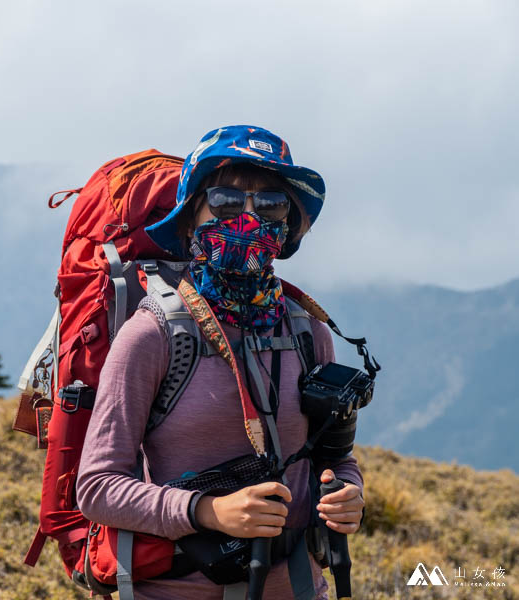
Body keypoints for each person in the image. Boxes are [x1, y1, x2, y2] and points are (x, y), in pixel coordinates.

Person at [76, 125, 365, 599]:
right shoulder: (154, 335)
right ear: (191, 219)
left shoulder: (306, 331)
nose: (248, 218)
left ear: (288, 227)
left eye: (270, 205)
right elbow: (97, 488)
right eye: (226, 202)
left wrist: (347, 495)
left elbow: (333, 457)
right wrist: (205, 512)